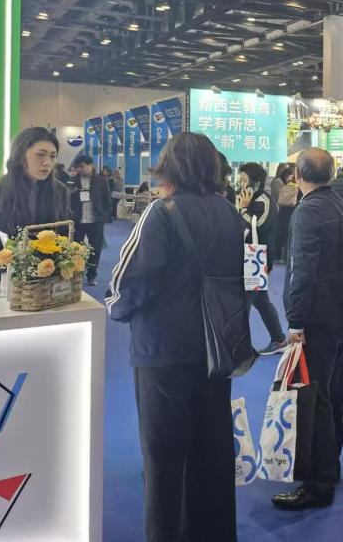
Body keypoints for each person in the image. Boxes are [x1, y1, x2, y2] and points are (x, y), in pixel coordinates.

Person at [107, 132, 245, 542]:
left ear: (170, 165)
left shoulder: (161, 212)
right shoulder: (230, 213)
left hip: (163, 350)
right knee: (212, 454)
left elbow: (129, 281)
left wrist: (117, 310)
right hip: (217, 347)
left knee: (164, 461)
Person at [271, 148, 343, 511]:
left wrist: (295, 320)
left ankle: (319, 483)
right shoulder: (339, 203)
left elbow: (301, 270)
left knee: (315, 394)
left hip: (317, 317)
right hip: (341, 313)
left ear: (298, 175)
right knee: (331, 389)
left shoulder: (308, 211)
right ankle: (329, 463)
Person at [0, 127, 72, 282]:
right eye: (40, 154)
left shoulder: (60, 192)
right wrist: (22, 264)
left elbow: (64, 239)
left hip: (43, 285)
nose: (47, 162)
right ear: (20, 155)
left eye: (53, 156)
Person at [236, 162, 287, 356]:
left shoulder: (264, 202)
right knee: (261, 302)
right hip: (248, 258)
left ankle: (240, 348)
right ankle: (279, 339)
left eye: (244, 180)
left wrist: (243, 210)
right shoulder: (247, 199)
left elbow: (255, 226)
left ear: (255, 183)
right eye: (239, 180)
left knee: (243, 305)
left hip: (257, 259)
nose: (240, 184)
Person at [68, 154, 112, 286]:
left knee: (95, 249)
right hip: (77, 221)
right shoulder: (72, 181)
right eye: (78, 167)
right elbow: (66, 200)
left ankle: (92, 276)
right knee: (75, 249)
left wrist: (104, 216)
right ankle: (75, 275)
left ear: (91, 166)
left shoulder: (101, 181)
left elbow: (107, 200)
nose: (80, 169)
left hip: (95, 221)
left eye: (82, 166)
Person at [273, 166, 298, 264]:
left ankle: (277, 256)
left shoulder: (286, 186)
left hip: (282, 211)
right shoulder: (298, 187)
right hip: (291, 212)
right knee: (288, 236)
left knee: (279, 234)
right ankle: (286, 258)